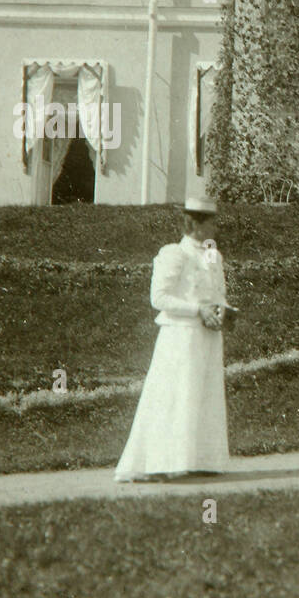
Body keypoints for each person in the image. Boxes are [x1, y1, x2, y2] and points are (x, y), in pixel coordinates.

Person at [114, 196, 232, 482]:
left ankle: (201, 459)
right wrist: (197, 310)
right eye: (210, 222)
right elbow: (160, 298)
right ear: (194, 223)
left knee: (205, 394)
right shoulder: (173, 254)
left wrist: (222, 312)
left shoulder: (213, 256)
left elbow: (219, 294)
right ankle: (161, 462)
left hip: (208, 336)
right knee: (175, 395)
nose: (216, 227)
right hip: (180, 336)